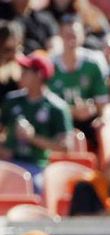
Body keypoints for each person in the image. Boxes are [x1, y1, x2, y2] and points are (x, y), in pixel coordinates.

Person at [0, 52, 72, 192]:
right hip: (7, 162)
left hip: (36, 165)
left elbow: (65, 147)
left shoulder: (57, 108)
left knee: (37, 186)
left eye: (26, 71)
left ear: (39, 75)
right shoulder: (11, 100)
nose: (21, 74)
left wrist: (32, 137)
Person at [50, 14, 110, 145]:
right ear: (59, 36)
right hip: (60, 124)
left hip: (90, 122)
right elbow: (46, 108)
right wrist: (72, 111)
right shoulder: (51, 65)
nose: (71, 40)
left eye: (74, 35)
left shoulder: (95, 62)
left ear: (83, 35)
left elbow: (105, 103)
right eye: (67, 35)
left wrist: (104, 119)